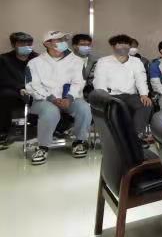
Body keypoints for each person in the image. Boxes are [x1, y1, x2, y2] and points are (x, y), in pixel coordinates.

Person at [25, 30, 91, 165]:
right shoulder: (34, 63)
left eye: (64, 40)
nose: (63, 43)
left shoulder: (76, 61)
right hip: (43, 100)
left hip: (70, 99)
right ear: (47, 43)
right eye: (59, 40)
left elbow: (79, 82)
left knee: (84, 108)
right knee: (51, 111)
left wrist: (69, 98)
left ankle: (80, 142)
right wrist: (52, 99)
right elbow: (32, 85)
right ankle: (43, 147)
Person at [93, 34, 153, 143]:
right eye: (120, 44)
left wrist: (144, 95)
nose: (123, 47)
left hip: (130, 95)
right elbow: (99, 81)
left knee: (146, 105)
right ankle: (118, 139)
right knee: (115, 109)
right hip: (110, 96)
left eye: (126, 45)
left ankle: (136, 137)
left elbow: (141, 79)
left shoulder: (136, 61)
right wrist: (104, 98)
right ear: (113, 46)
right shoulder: (103, 61)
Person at [0, 32, 38, 150]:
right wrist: (20, 88)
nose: (26, 46)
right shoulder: (4, 59)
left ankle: (50, 129)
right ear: (13, 45)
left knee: (46, 97)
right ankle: (2, 132)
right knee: (4, 97)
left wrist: (30, 88)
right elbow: (4, 79)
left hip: (34, 89)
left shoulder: (37, 58)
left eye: (29, 44)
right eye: (22, 44)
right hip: (13, 90)